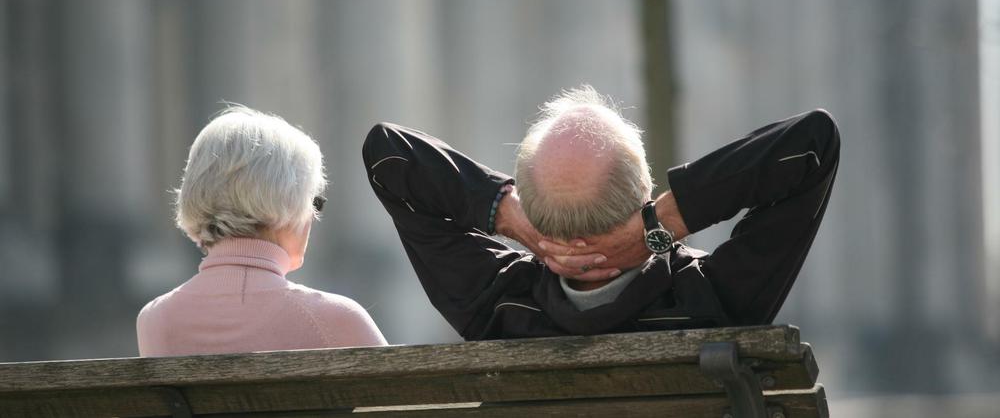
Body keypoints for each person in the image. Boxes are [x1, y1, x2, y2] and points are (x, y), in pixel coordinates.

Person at [363, 85, 839, 340]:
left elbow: (389, 157)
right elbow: (813, 144)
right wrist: (659, 226)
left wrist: (508, 217)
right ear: (646, 189)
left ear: (535, 210)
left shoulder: (496, 307)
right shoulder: (712, 299)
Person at [137, 106, 386, 357]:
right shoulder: (335, 319)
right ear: (290, 201)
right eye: (314, 202)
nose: (313, 216)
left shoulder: (155, 319)